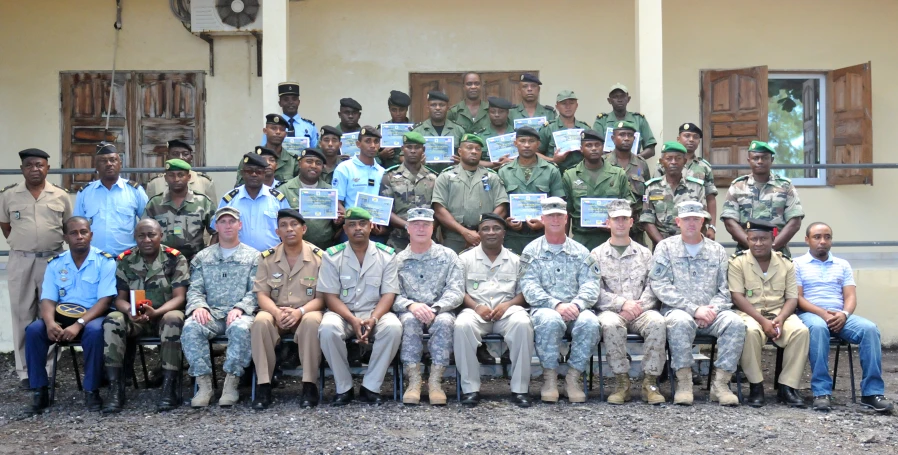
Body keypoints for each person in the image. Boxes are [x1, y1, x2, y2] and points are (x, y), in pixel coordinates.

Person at [649, 201, 745, 407]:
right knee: (680, 322)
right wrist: (694, 310)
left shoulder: (717, 250)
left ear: (703, 221)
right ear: (678, 222)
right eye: (686, 219)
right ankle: (684, 383)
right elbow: (660, 285)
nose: (691, 223)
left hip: (712, 312)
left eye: (696, 219)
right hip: (679, 311)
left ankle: (721, 385)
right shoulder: (665, 247)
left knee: (735, 323)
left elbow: (724, 289)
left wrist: (711, 310)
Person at [795, 222, 894, 412]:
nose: (822, 241)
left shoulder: (842, 264)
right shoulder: (797, 264)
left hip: (840, 315)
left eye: (827, 237)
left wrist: (844, 314)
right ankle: (821, 392)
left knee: (870, 329)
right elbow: (798, 298)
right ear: (807, 240)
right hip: (811, 314)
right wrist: (823, 313)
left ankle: (872, 393)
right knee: (818, 327)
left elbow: (850, 297)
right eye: (817, 237)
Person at [23, 216, 116, 415]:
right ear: (65, 237)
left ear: (91, 235)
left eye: (83, 232)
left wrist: (79, 324)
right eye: (73, 233)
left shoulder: (105, 261)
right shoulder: (56, 263)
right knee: (33, 331)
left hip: (92, 316)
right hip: (61, 316)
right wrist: (49, 323)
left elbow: (105, 300)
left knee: (94, 332)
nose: (79, 237)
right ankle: (39, 391)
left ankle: (91, 390)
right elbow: (47, 298)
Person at [0, 148, 73, 389]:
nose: (35, 169)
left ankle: (48, 370)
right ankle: (25, 372)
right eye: (30, 165)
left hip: (52, 262)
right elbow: (6, 225)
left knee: (50, 315)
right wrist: (21, 243)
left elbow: (68, 226)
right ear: (22, 169)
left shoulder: (60, 196)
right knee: (22, 315)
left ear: (47, 168)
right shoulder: (9, 196)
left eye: (40, 165)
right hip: (21, 260)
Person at [101, 219, 189, 413]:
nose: (147, 239)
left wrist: (157, 312)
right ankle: (116, 388)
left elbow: (179, 297)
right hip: (136, 319)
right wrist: (129, 311)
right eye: (141, 235)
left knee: (174, 318)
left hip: (163, 316)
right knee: (113, 320)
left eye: (152, 235)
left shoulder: (175, 258)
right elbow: (119, 298)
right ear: (135, 237)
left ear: (161, 236)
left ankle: (169, 387)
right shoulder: (126, 260)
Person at [317, 208, 403, 405]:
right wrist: (352, 320)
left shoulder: (387, 255)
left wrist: (373, 319)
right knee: (328, 328)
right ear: (345, 229)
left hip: (376, 312)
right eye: (352, 225)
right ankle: (343, 387)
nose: (358, 228)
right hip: (343, 313)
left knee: (393, 327)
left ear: (371, 226)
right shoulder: (332, 256)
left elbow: (389, 293)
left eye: (362, 224)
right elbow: (330, 296)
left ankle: (371, 386)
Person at [520, 197, 600, 404]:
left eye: (559, 215)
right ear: (542, 219)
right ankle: (550, 378)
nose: (555, 219)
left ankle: (573, 378)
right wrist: (556, 305)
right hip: (545, 309)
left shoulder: (581, 251)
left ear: (566, 218)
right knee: (550, 320)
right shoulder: (531, 251)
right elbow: (529, 286)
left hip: (576, 308)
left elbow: (591, 284)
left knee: (590, 322)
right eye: (550, 215)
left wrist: (577, 304)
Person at [589, 199, 666, 405]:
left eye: (624, 219)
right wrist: (622, 304)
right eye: (616, 219)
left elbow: (654, 286)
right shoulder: (596, 255)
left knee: (658, 323)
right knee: (609, 324)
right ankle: (621, 382)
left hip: (642, 310)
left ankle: (650, 383)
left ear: (632, 222)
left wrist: (637, 307)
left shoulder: (645, 253)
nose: (620, 223)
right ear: (608, 223)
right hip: (612, 311)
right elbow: (594, 290)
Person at [455, 214, 533, 408]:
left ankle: (520, 389)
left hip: (506, 311)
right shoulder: (464, 259)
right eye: (486, 229)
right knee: (461, 325)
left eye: (496, 228)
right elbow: (457, 290)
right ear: (479, 233)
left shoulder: (516, 260)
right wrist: (475, 306)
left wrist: (508, 305)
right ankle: (470, 389)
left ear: (504, 233)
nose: (491, 232)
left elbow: (525, 293)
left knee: (523, 324)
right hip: (476, 311)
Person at [183, 206, 258, 408]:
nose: (227, 225)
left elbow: (257, 290)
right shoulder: (202, 257)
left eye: (231, 221)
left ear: (239, 225)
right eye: (222, 221)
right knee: (191, 327)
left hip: (239, 314)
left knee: (241, 329)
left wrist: (241, 308)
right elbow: (195, 289)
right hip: (212, 314)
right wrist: (199, 306)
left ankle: (231, 384)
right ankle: (204, 385)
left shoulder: (254, 257)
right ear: (216, 226)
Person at [728, 219, 808, 408]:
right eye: (753, 239)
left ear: (773, 239)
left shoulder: (786, 263)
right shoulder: (737, 262)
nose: (758, 243)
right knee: (749, 332)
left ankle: (787, 387)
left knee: (800, 331)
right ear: (747, 239)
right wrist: (763, 321)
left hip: (780, 313)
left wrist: (780, 318)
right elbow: (737, 297)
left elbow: (792, 298)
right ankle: (756, 386)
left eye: (763, 239)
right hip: (750, 313)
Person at [251, 209, 325, 409]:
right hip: (277, 312)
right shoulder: (267, 258)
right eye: (283, 225)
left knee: (312, 322)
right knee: (260, 321)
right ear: (277, 231)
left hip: (306, 311)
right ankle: (263, 385)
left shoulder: (320, 257)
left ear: (304, 229)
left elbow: (323, 298)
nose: (289, 229)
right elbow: (262, 295)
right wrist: (275, 313)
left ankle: (309, 385)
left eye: (294, 224)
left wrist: (299, 312)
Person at [393, 208, 464, 405]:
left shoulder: (448, 256)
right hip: (410, 311)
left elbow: (456, 290)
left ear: (433, 228)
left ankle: (435, 382)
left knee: (444, 322)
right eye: (415, 224)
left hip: (440, 310)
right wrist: (411, 305)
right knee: (407, 321)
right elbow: (391, 294)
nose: (421, 228)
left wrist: (436, 308)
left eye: (426, 224)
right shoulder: (397, 260)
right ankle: (414, 381)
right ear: (408, 228)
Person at [721, 140, 804, 258]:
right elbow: (729, 221)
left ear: (772, 160)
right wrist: (753, 246)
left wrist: (772, 246)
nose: (760, 161)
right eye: (756, 158)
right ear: (749, 160)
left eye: (764, 158)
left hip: (778, 252)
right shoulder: (737, 186)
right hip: (745, 253)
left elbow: (795, 221)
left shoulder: (785, 186)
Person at [432, 134, 509, 253]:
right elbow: (439, 210)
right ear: (460, 151)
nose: (474, 151)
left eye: (477, 149)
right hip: (454, 238)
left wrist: (483, 230)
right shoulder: (445, 177)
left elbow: (502, 207)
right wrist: (464, 232)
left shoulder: (492, 177)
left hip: (486, 238)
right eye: (469, 148)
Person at [562, 130, 634, 250]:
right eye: (588, 145)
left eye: (597, 145)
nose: (594, 148)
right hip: (582, 239)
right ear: (581, 149)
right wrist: (564, 242)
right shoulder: (570, 175)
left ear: (603, 147)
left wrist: (616, 224)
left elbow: (628, 205)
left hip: (612, 238)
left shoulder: (618, 174)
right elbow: (566, 212)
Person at [497, 126, 564, 254]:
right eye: (522, 141)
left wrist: (545, 223)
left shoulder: (551, 170)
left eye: (531, 141)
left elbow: (559, 204)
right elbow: (500, 205)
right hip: (513, 235)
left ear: (538, 144)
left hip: (543, 233)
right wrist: (505, 222)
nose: (526, 145)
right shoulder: (504, 171)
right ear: (515, 143)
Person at [74, 143, 148, 256]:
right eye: (103, 161)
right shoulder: (85, 193)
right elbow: (77, 227)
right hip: (94, 258)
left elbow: (148, 223)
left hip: (127, 259)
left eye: (113, 160)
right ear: (96, 166)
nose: (109, 164)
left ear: (120, 164)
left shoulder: (135, 191)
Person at [144, 159, 215, 263]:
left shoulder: (203, 202)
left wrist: (206, 256)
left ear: (189, 177)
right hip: (162, 263)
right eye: (171, 175)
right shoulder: (155, 203)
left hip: (194, 262)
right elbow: (145, 232)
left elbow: (217, 232)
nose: (176, 179)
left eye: (180, 175)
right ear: (165, 178)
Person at [215, 152, 290, 252]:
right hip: (238, 260)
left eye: (258, 172)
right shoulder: (230, 199)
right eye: (249, 171)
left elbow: (288, 228)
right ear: (242, 173)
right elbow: (217, 230)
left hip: (271, 258)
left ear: (264, 174)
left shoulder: (277, 199)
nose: (254, 175)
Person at [378, 132, 437, 251]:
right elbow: (385, 210)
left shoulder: (434, 178)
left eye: (417, 147)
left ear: (423, 150)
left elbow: (438, 209)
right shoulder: (389, 177)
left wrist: (427, 229)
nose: (413, 151)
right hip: (398, 240)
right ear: (402, 149)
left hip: (427, 240)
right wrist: (407, 226)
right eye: (409, 147)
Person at [654, 123, 717, 232]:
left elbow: (710, 198)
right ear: (678, 139)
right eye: (687, 136)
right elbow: (656, 192)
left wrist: (712, 227)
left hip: (694, 227)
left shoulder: (704, 167)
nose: (691, 140)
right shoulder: (662, 164)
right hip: (666, 226)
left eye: (695, 137)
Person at [640, 142, 707, 245]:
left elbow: (703, 218)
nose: (673, 162)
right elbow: (647, 221)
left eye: (678, 158)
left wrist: (688, 243)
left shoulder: (697, 187)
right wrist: (664, 246)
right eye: (669, 158)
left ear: (684, 161)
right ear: (662, 162)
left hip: (690, 245)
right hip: (661, 246)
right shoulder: (652, 187)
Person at [277, 148, 343, 250]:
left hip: (324, 249)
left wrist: (337, 221)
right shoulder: (284, 190)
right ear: (299, 164)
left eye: (318, 163)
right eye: (309, 161)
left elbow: (335, 224)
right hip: (292, 249)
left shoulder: (330, 191)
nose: (313, 166)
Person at [604, 121, 652, 245]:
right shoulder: (603, 163)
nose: (626, 138)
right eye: (622, 135)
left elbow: (647, 195)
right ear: (613, 138)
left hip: (635, 229)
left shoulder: (641, 164)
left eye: (630, 135)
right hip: (608, 229)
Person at [593, 83, 657, 159]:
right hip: (608, 166)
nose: (619, 100)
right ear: (609, 100)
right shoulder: (602, 120)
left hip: (633, 166)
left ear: (628, 99)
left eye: (622, 96)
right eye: (615, 97)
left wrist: (635, 159)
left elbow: (651, 149)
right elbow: (595, 146)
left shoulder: (639, 119)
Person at [332, 126, 385, 210]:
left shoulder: (382, 172)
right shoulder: (344, 168)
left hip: (376, 221)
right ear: (358, 144)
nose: (372, 145)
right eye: (368, 141)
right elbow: (336, 202)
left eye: (376, 142)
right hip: (352, 220)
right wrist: (350, 217)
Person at [537, 90, 591, 173]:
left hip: (580, 176)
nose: (568, 106)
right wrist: (552, 160)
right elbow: (535, 153)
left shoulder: (585, 129)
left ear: (576, 105)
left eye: (571, 103)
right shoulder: (548, 128)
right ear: (557, 106)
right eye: (564, 103)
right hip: (555, 175)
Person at [145, 140, 217, 202]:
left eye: (185, 154)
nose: (180, 158)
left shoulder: (204, 182)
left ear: (191, 158)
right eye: (175, 154)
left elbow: (213, 215)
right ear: (167, 158)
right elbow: (148, 214)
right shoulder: (154, 184)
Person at [412, 91, 465, 174]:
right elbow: (402, 157)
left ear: (448, 108)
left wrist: (462, 161)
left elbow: (467, 155)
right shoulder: (418, 131)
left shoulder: (459, 130)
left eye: (442, 105)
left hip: (452, 176)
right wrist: (417, 162)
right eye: (433, 105)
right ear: (427, 108)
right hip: (425, 176)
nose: (437, 108)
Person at [238, 115, 299, 186]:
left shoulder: (293, 161)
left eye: (282, 129)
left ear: (286, 134)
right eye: (273, 128)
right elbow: (240, 187)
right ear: (265, 131)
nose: (278, 132)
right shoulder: (250, 159)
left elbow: (296, 188)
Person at [261, 82, 317, 148]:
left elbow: (316, 151)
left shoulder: (309, 127)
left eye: (294, 99)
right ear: (280, 103)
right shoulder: (272, 127)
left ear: (299, 102)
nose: (290, 102)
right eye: (286, 99)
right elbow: (264, 151)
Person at [476, 96, 516, 169]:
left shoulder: (517, 134)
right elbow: (474, 161)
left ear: (507, 113)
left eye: (501, 112)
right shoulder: (480, 136)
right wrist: (493, 164)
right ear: (488, 113)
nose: (496, 115)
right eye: (493, 112)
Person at [376, 90, 413, 169]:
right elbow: (370, 155)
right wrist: (381, 155)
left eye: (401, 110)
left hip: (410, 173)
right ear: (389, 110)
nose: (398, 113)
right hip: (387, 173)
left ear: (406, 109)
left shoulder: (415, 129)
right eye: (394, 110)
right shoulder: (381, 130)